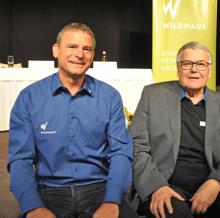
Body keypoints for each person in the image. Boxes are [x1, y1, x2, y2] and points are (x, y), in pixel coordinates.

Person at [7, 22, 139, 218]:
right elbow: (20, 158)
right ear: (56, 50)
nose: (80, 54)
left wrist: (112, 200)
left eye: (87, 49)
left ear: (93, 55)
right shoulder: (29, 98)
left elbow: (120, 153)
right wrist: (32, 206)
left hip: (99, 189)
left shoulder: (110, 97)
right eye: (72, 46)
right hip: (48, 190)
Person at [130, 41, 220, 218]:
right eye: (187, 63)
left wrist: (215, 182)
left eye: (201, 64)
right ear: (178, 68)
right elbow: (137, 147)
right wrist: (157, 186)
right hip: (166, 182)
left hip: (211, 178)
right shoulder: (152, 95)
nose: (194, 70)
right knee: (173, 212)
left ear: (209, 70)